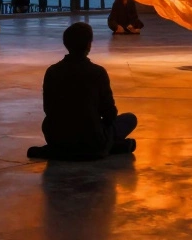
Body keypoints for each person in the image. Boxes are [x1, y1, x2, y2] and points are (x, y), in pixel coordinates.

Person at [27, 22, 137, 160]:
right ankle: (109, 146)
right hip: (92, 139)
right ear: (88, 45)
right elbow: (109, 113)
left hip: (59, 139)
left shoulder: (52, 72)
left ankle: (73, 149)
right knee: (130, 119)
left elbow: (48, 109)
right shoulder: (97, 73)